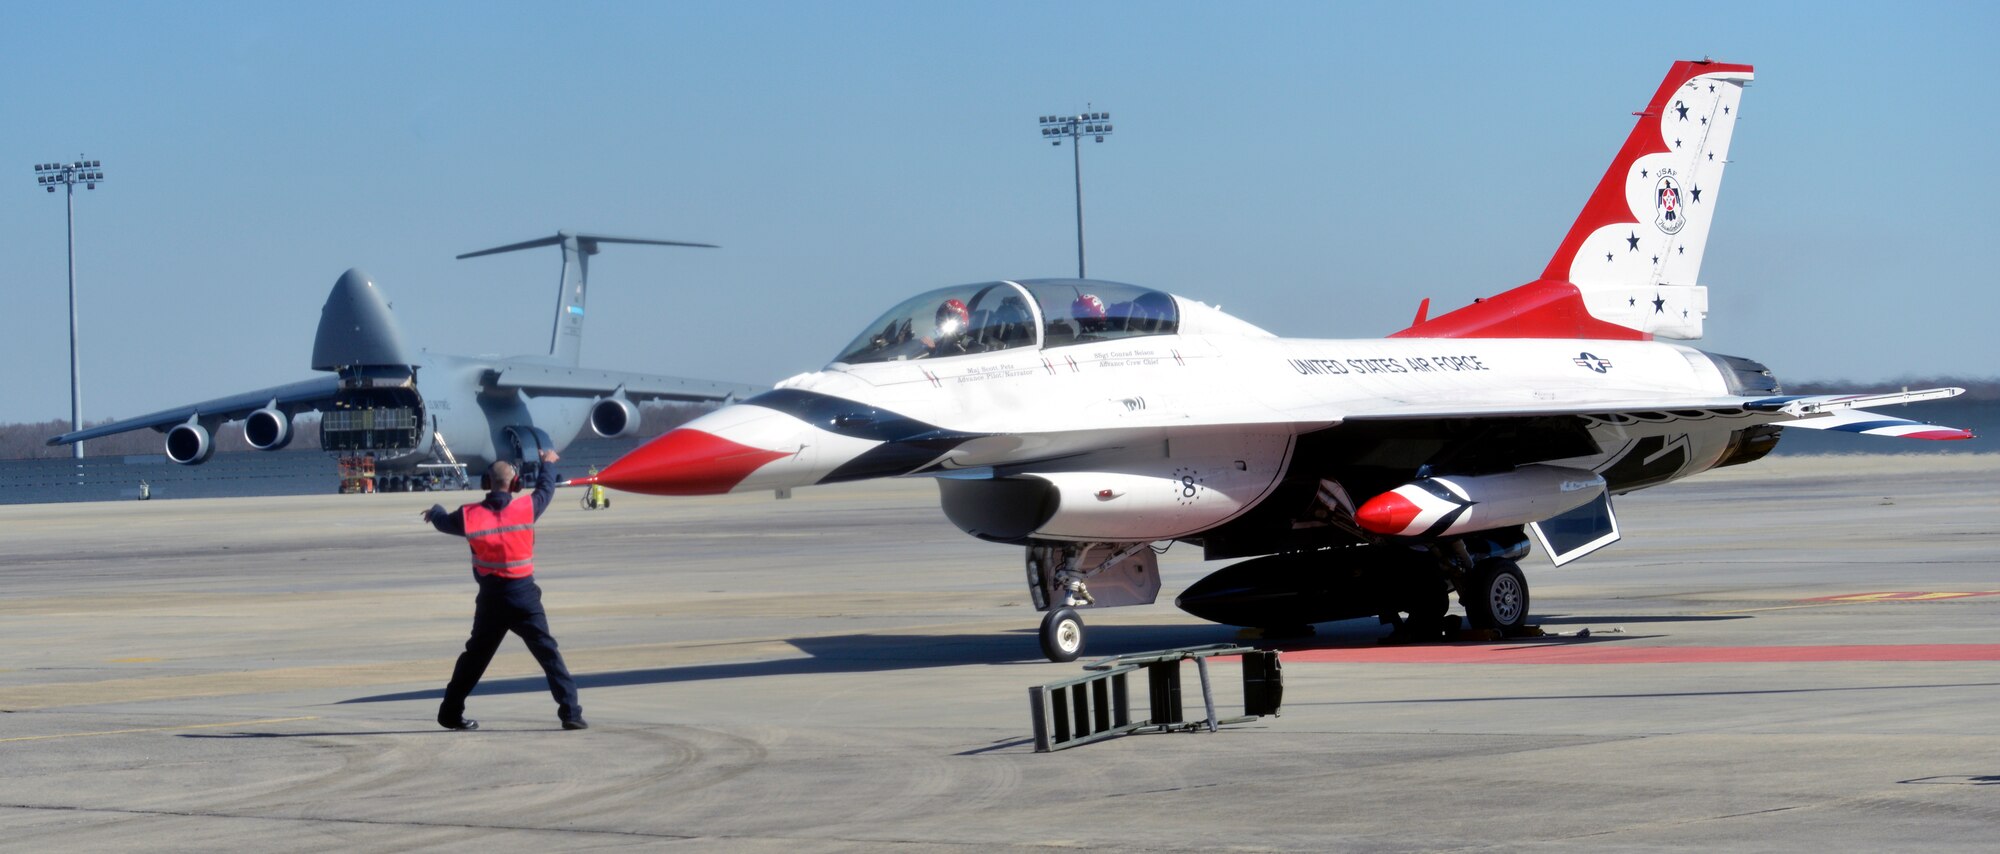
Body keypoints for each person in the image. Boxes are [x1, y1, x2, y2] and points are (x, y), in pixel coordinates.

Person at [420, 448, 586, 731]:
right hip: (524, 597)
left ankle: (449, 713)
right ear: (515, 484)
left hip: (491, 600)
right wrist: (547, 463)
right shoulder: (526, 508)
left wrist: (435, 511)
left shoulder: (469, 515)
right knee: (549, 655)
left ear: (486, 483)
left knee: (474, 659)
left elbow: (442, 522)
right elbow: (546, 488)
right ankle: (570, 713)